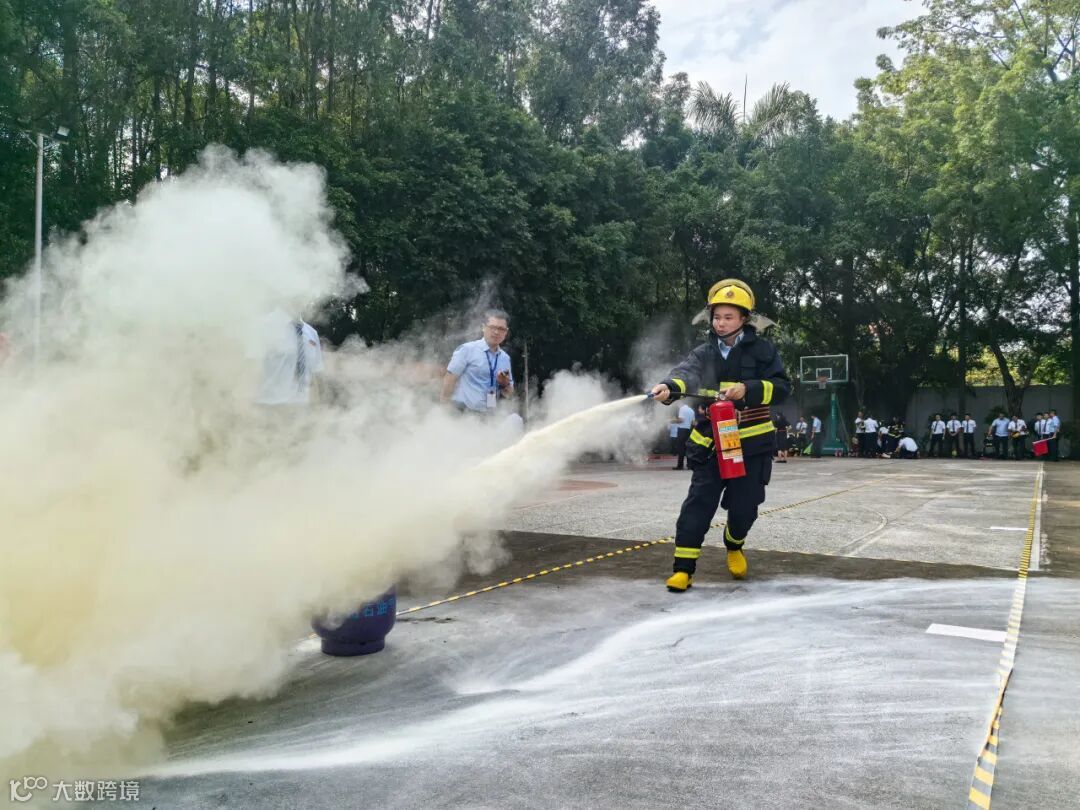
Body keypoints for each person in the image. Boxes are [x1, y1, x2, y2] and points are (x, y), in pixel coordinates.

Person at [650, 278, 789, 589]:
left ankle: (734, 543)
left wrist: (749, 389)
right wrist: (669, 387)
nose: (721, 323)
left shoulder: (764, 352)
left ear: (744, 319)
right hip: (711, 443)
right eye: (716, 317)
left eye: (728, 317)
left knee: (745, 507)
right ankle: (683, 569)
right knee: (698, 505)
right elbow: (685, 375)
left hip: (751, 446)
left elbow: (782, 388)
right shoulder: (703, 353)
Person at [441, 309, 514, 415]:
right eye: (492, 327)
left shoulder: (505, 358)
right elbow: (450, 378)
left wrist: (504, 384)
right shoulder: (467, 350)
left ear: (506, 332)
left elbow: (509, 393)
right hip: (461, 412)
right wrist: (444, 409)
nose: (496, 332)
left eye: (501, 329)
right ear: (483, 327)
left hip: (489, 415)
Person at [254, 309, 324, 407]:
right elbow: (249, 369)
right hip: (269, 405)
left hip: (302, 406)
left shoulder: (312, 333)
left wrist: (319, 407)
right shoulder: (263, 325)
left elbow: (315, 373)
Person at [670, 401, 695, 470]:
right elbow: (693, 423)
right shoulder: (691, 410)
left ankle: (680, 465)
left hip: (682, 430)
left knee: (681, 448)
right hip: (688, 430)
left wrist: (672, 421)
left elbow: (681, 420)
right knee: (687, 448)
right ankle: (689, 465)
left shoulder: (682, 409)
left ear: (680, 403)